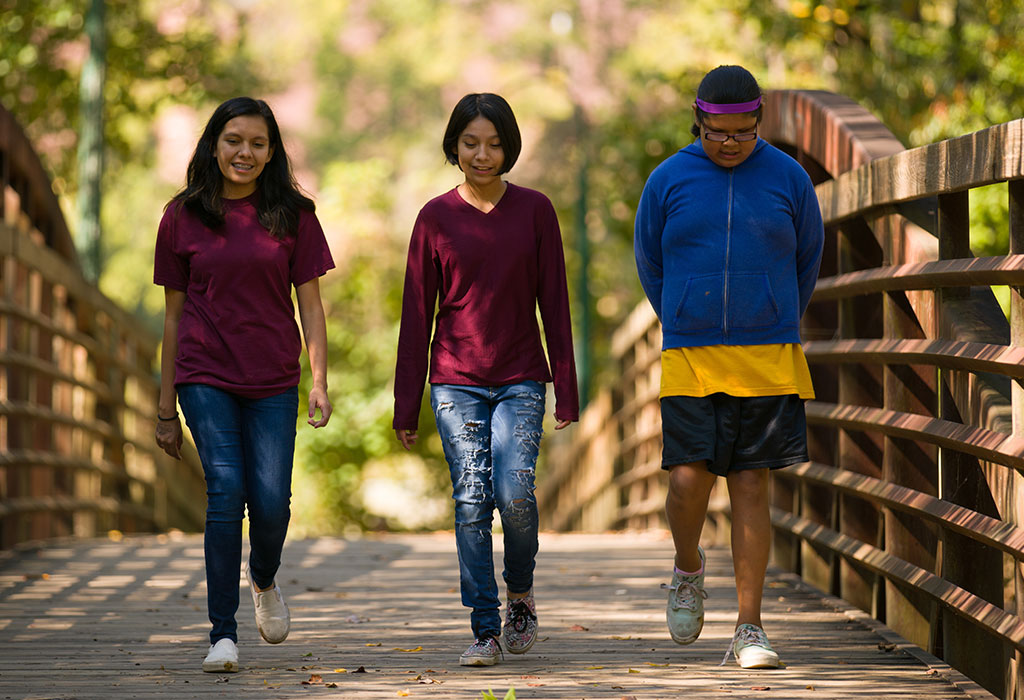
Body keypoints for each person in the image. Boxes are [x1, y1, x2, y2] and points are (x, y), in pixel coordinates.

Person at [634, 65, 824, 669]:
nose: (731, 144)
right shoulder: (668, 180)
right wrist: (683, 314)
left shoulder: (789, 178)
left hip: (767, 353)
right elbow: (649, 259)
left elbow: (808, 259)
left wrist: (773, 311)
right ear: (699, 122)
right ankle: (688, 567)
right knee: (688, 478)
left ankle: (750, 627)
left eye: (744, 133)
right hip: (691, 352)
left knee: (750, 484)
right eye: (720, 135)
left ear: (758, 123)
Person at [393, 93, 579, 667]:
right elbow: (416, 315)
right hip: (455, 381)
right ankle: (484, 628)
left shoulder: (535, 210)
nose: (483, 154)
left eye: (495, 143)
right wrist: (406, 405)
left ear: (510, 146)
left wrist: (566, 387)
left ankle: (519, 594)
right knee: (472, 499)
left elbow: (555, 302)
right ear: (454, 145)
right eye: (471, 143)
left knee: (513, 492)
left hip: (523, 375)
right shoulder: (434, 218)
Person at [154, 97, 334, 673]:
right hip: (204, 372)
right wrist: (164, 407)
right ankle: (221, 634)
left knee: (273, 502)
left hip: (274, 377)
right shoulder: (182, 216)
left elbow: (312, 306)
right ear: (214, 143)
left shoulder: (293, 214)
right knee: (226, 490)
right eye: (234, 140)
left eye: (258, 143)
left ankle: (263, 576)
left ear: (272, 151)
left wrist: (320, 381)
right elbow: (172, 317)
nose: (245, 152)